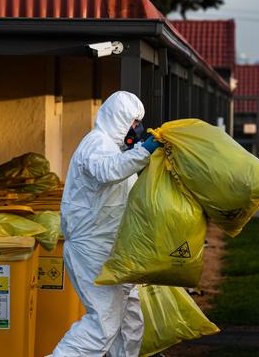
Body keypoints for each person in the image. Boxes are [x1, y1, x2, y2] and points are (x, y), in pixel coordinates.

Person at [51, 91, 162, 356]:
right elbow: (108, 170)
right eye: (134, 121)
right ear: (119, 118)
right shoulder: (96, 143)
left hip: (113, 251)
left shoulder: (116, 151)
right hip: (92, 250)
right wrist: (144, 151)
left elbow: (126, 193)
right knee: (103, 325)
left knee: (129, 323)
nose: (138, 128)